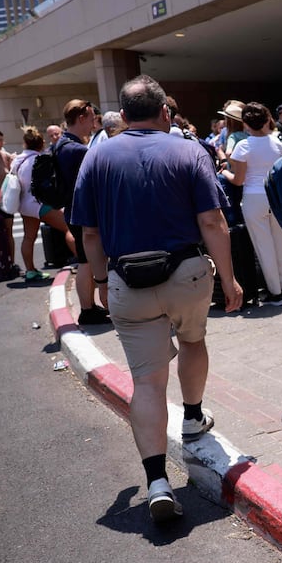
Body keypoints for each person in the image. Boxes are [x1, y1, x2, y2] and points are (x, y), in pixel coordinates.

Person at [70, 74, 242, 522]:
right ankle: (192, 416)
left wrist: (104, 282)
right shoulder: (188, 149)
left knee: (147, 381)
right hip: (186, 272)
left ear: (123, 117)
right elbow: (212, 222)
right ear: (165, 110)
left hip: (127, 279)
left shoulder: (98, 156)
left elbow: (88, 232)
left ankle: (157, 481)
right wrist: (229, 279)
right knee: (192, 341)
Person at [219, 102, 282, 305]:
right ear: (267, 119)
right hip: (276, 196)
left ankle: (275, 292)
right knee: (280, 244)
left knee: (263, 246)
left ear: (245, 123)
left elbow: (239, 180)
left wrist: (224, 172)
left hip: (254, 197)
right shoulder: (276, 143)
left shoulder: (243, 146)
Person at [57, 99, 109, 325]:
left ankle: (89, 307)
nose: (93, 124)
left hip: (71, 211)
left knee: (84, 261)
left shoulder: (61, 144)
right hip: (82, 213)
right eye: (90, 119)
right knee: (87, 262)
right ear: (80, 118)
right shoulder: (77, 150)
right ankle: (87, 310)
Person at [13, 126, 75, 281]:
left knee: (29, 237)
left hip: (25, 205)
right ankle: (82, 260)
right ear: (40, 143)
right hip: (41, 203)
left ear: (25, 144)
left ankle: (31, 271)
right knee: (69, 227)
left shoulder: (18, 160)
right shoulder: (41, 159)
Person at [0, 130, 15, 264]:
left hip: (4, 199)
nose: (3, 143)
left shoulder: (4, 156)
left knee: (8, 233)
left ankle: (11, 263)